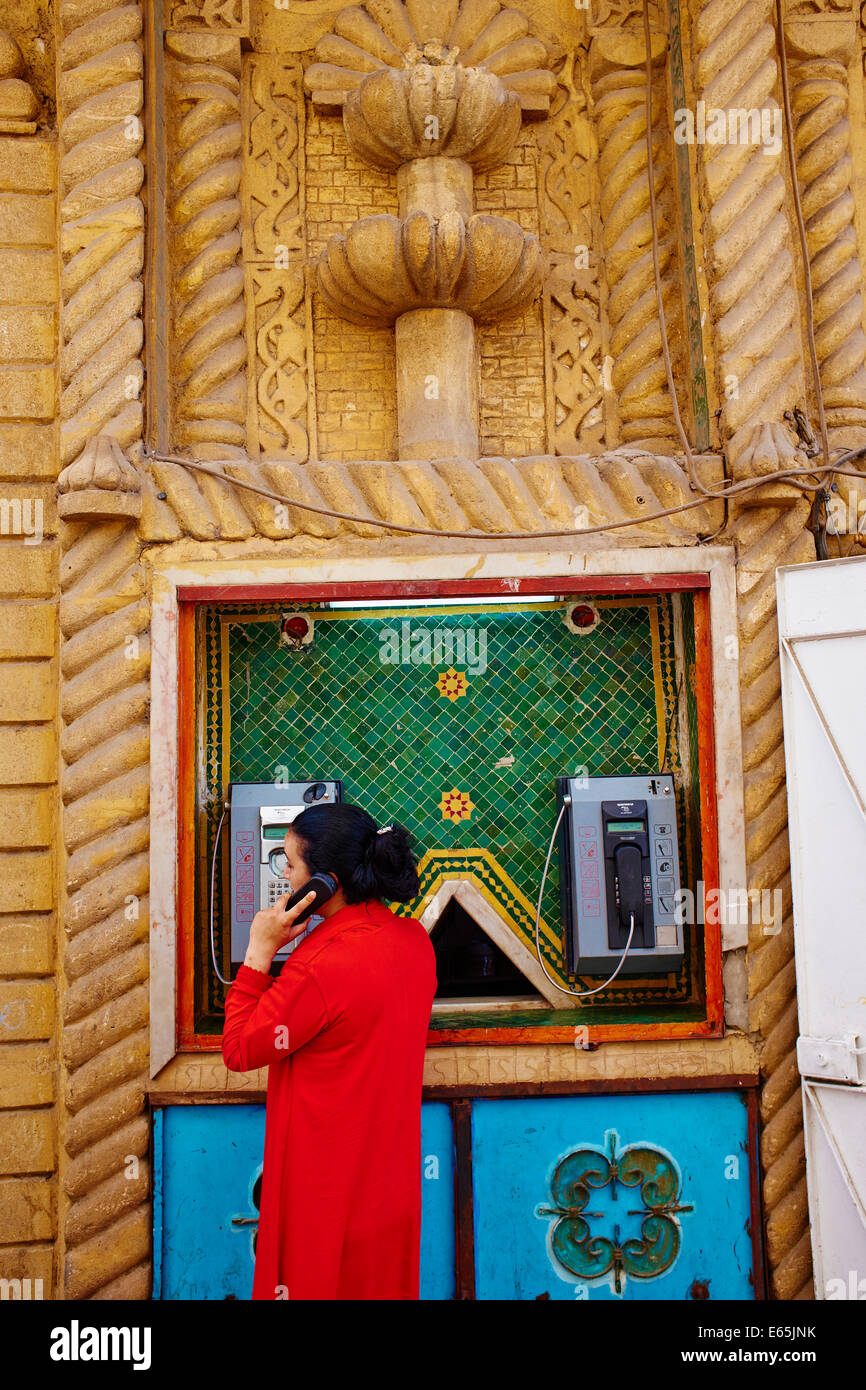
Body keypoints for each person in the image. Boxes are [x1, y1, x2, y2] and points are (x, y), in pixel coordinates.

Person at [221, 802, 437, 1300]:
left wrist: (258, 952)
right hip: (389, 1185)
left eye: (290, 865)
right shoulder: (414, 941)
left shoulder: (318, 966)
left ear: (324, 882)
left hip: (321, 1185)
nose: (284, 876)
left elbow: (239, 1049)